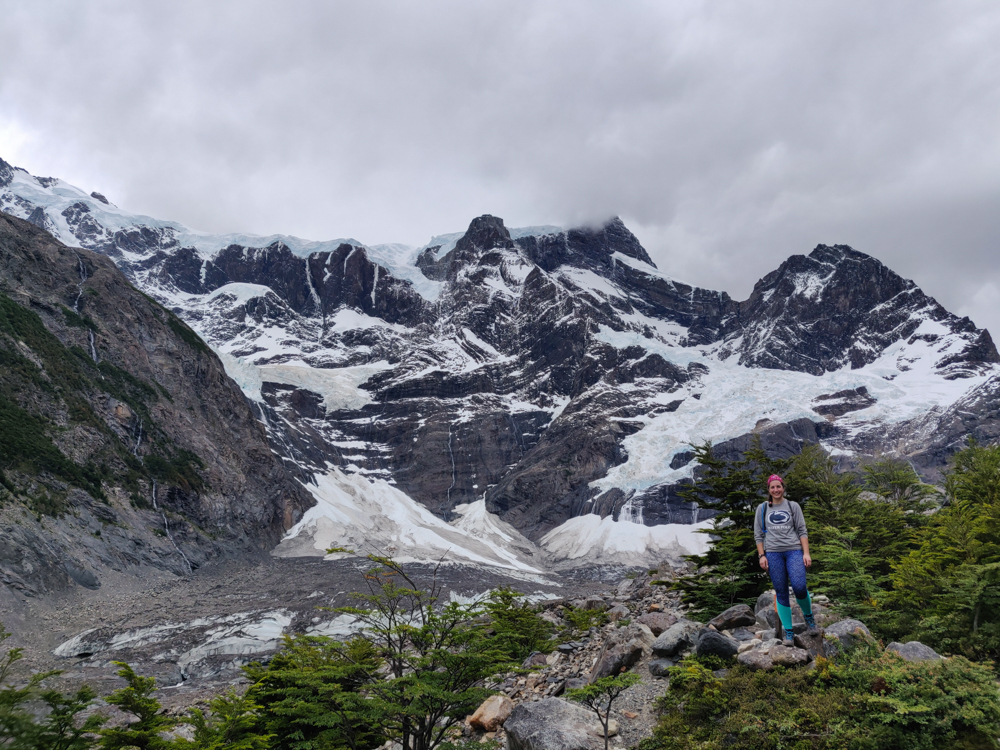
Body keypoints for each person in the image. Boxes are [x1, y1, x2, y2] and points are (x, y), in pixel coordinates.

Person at [753, 474, 816, 645]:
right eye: (772, 487)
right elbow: (758, 535)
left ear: (783, 488)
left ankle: (809, 619)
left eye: (778, 486)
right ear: (769, 490)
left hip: (793, 551)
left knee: (799, 586)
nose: (776, 490)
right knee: (780, 591)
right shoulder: (763, 508)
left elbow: (802, 530)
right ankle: (788, 632)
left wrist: (806, 553)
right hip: (773, 553)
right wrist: (761, 555)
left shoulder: (792, 506)